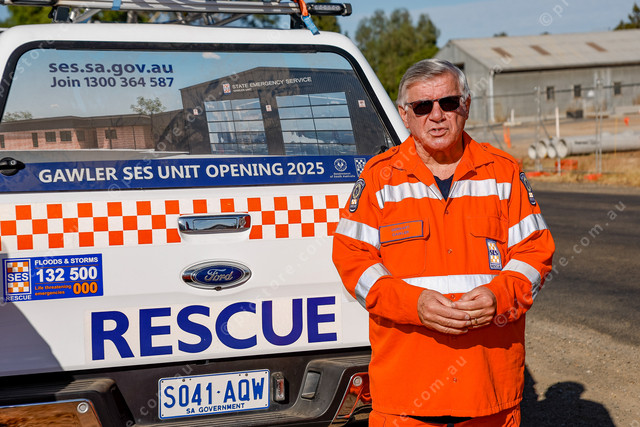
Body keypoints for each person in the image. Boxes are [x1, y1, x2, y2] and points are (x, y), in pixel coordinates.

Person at [332, 59, 555, 426]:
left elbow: (535, 252)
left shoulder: (503, 173)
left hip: (486, 391)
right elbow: (352, 259)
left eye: (447, 103)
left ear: (465, 106)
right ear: (405, 115)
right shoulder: (379, 178)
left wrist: (499, 296)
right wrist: (413, 304)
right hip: (406, 394)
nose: (436, 116)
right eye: (422, 106)